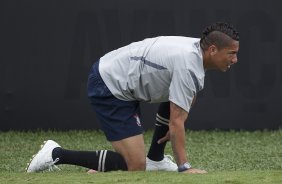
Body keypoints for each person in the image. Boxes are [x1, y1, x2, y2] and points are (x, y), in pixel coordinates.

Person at [26, 22, 239, 174]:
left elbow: (184, 98)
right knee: (135, 165)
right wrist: (184, 167)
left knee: (178, 101)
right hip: (110, 85)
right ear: (212, 50)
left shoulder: (195, 52)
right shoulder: (188, 65)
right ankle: (57, 153)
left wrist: (177, 121)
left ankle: (156, 159)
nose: (235, 59)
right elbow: (176, 121)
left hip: (121, 77)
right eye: (231, 53)